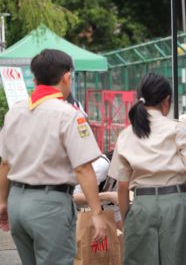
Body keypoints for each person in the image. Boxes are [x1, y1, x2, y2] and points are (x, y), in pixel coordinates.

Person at [0, 49, 106, 265]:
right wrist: (96, 212)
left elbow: (5, 163)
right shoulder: (68, 114)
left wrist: (2, 201)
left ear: (35, 78)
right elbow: (83, 168)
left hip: (17, 202)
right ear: (66, 77)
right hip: (49, 206)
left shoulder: (15, 112)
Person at [109, 72, 186, 265]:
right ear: (166, 100)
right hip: (176, 204)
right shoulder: (179, 130)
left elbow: (122, 186)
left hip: (142, 205)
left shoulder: (127, 135)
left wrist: (128, 218)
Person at [73, 152, 122, 230]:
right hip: (63, 209)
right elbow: (73, 197)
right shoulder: (102, 166)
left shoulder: (118, 177)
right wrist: (108, 196)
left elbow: (116, 212)